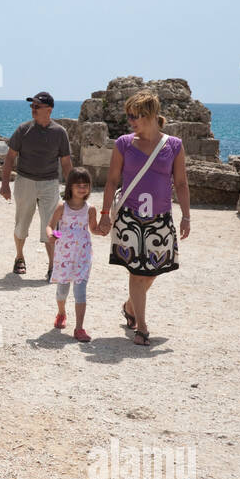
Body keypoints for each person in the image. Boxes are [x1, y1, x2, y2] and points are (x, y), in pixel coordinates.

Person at [97, 90, 191, 346]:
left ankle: (130, 306)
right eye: (128, 116)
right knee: (136, 272)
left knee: (154, 270)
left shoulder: (174, 146)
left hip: (160, 219)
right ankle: (142, 327)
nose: (130, 121)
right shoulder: (124, 144)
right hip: (130, 218)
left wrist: (186, 216)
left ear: (149, 115)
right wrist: (105, 214)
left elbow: (181, 183)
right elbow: (112, 180)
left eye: (134, 116)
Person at [0, 91, 72, 278]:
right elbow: (9, 158)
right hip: (25, 182)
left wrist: (72, 190)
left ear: (48, 110)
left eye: (37, 106)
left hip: (50, 184)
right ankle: (19, 257)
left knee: (52, 227)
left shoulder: (59, 132)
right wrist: (5, 184)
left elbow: (66, 162)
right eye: (32, 106)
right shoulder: (23, 130)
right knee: (21, 224)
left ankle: (52, 266)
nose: (33, 109)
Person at [45, 166, 99, 341]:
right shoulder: (62, 207)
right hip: (63, 256)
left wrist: (105, 227)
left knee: (80, 291)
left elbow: (94, 229)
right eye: (78, 185)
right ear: (70, 187)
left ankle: (79, 328)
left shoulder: (90, 209)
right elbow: (50, 226)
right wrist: (52, 235)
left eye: (85, 185)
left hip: (83, 256)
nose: (82, 188)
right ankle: (61, 313)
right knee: (62, 291)